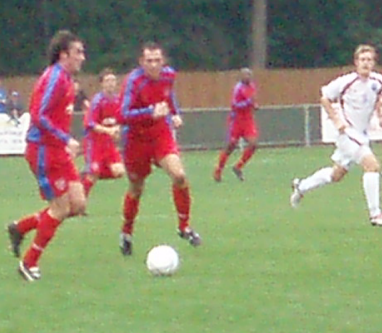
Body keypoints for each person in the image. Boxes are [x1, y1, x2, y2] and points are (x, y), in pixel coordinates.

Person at [6, 30, 87, 282]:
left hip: (56, 150)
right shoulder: (54, 78)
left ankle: (21, 227)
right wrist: (66, 140)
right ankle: (28, 264)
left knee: (78, 205)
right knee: (61, 208)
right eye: (78, 52)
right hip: (43, 150)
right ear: (64, 55)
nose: (83, 58)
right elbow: (38, 115)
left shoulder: (65, 79)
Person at [289, 44, 382, 227]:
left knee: (336, 174)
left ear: (374, 63)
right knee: (372, 166)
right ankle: (375, 214)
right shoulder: (346, 81)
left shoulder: (378, 81)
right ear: (356, 62)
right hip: (347, 134)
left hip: (361, 134)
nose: (366, 63)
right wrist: (337, 120)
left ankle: (301, 186)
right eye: (362, 60)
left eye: (369, 60)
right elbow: (325, 97)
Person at [118, 41, 202, 256]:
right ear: (141, 62)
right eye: (149, 61)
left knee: (179, 175)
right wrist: (149, 111)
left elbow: (168, 95)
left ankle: (184, 227)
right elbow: (123, 115)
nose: (154, 65)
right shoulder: (133, 82)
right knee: (136, 187)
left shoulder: (168, 76)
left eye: (157, 60)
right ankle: (126, 232)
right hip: (136, 140)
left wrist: (175, 113)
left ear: (163, 61)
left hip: (159, 134)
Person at [81, 68, 125, 198]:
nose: (111, 83)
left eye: (113, 80)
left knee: (119, 172)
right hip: (94, 142)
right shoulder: (97, 101)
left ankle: (86, 174)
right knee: (93, 173)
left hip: (108, 143)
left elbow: (122, 119)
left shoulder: (118, 100)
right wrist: (108, 130)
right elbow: (90, 123)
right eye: (107, 80)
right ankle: (80, 202)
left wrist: (117, 129)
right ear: (102, 84)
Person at [213, 67, 259, 182]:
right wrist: (248, 103)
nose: (248, 77)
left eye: (249, 75)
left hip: (248, 120)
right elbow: (235, 104)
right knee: (231, 145)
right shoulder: (238, 88)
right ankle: (218, 170)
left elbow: (252, 100)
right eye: (245, 75)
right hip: (237, 120)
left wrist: (254, 105)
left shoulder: (252, 86)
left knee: (253, 144)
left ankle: (238, 166)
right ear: (241, 76)